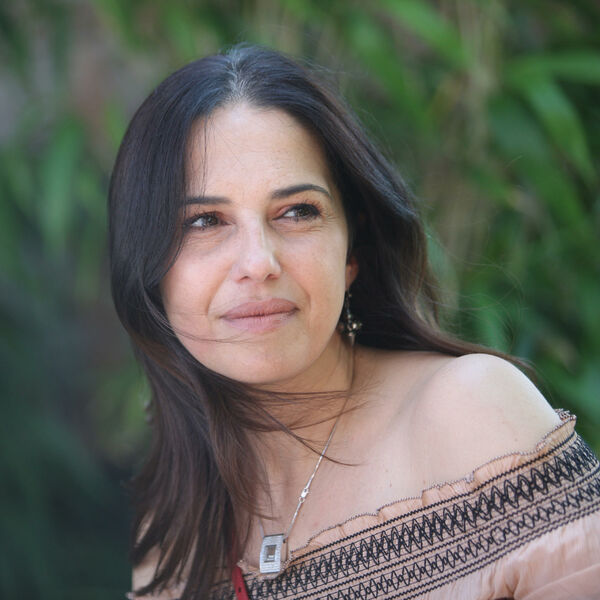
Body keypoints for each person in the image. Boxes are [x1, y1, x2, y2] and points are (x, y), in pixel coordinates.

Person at [109, 44, 600, 600]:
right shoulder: (173, 534)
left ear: (351, 252)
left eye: (297, 212)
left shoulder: (469, 417)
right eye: (204, 221)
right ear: (148, 270)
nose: (258, 263)